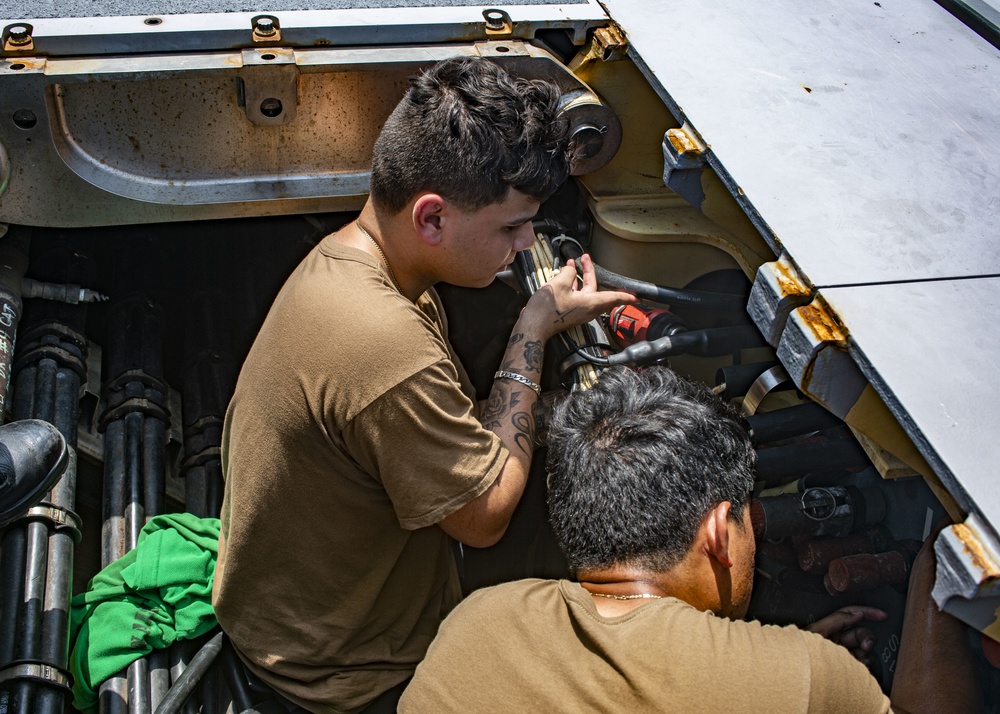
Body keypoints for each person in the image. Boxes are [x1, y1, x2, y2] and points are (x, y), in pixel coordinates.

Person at [211, 56, 635, 713]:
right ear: (432, 218)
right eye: (511, 225)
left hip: (292, 617)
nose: (526, 245)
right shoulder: (386, 346)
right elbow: (485, 516)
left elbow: (448, 422)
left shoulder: (350, 263)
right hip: (343, 677)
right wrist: (533, 328)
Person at [399, 366, 982, 713]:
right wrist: (939, 571)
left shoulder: (478, 622)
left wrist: (767, 666)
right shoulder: (800, 680)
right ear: (718, 533)